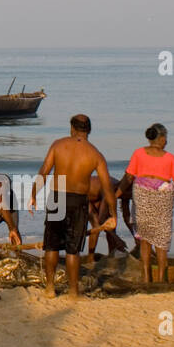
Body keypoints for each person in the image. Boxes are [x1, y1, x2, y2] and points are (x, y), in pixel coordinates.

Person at [30, 114, 115, 299]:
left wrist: (33, 194)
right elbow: (107, 187)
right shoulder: (95, 154)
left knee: (51, 246)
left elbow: (44, 171)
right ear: (89, 130)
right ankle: (73, 291)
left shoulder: (58, 145)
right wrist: (113, 214)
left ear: (72, 128)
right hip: (78, 202)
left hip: (57, 198)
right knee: (72, 249)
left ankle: (50, 288)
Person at [116, 124, 174, 282]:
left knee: (145, 238)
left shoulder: (138, 153)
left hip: (142, 196)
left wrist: (116, 193)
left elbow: (129, 177)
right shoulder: (170, 158)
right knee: (161, 237)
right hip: (162, 198)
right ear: (162, 138)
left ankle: (146, 277)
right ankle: (161, 279)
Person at [85, 176, 130, 257]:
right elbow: (101, 221)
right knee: (96, 224)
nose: (127, 199)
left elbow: (127, 217)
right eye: (128, 196)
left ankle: (111, 254)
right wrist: (118, 239)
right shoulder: (110, 189)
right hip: (82, 195)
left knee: (112, 225)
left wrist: (138, 239)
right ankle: (90, 257)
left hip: (97, 196)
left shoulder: (125, 192)